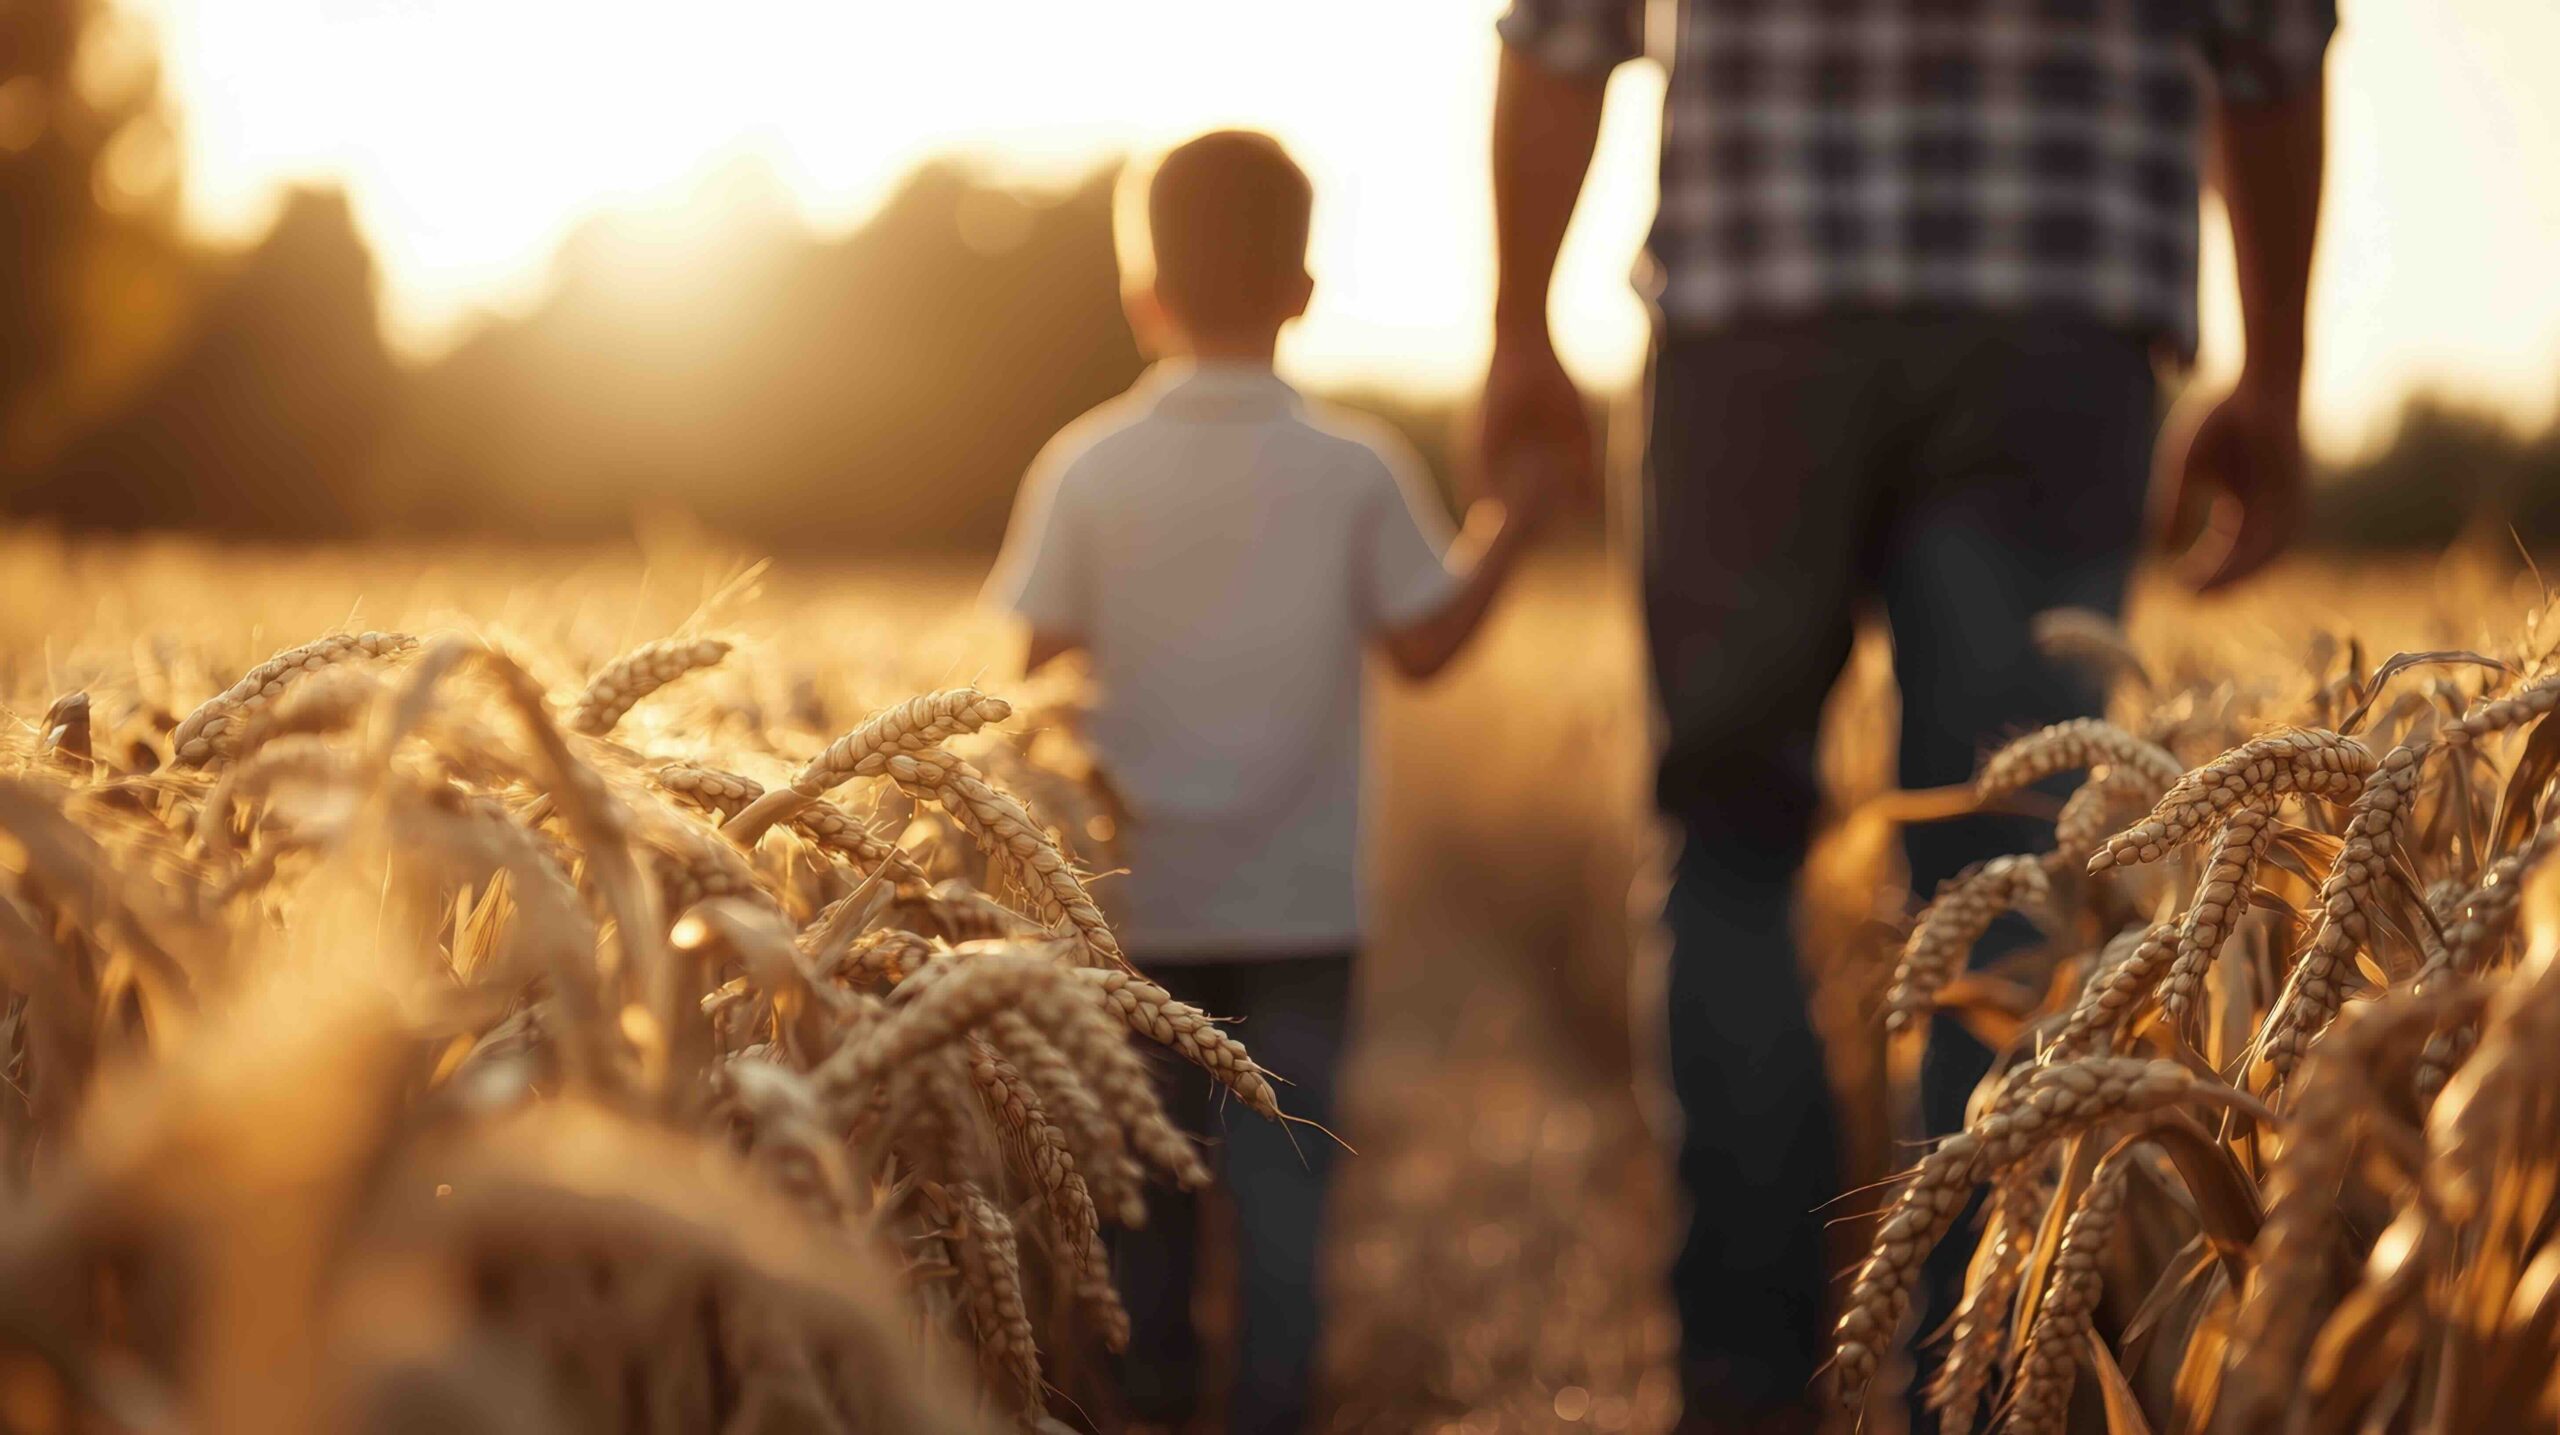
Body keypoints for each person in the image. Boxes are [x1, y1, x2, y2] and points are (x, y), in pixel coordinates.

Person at [1479, 2, 2332, 1430]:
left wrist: (1518, 328)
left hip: (1755, 300)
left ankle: (1743, 1383)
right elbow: (2274, 47)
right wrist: (2279, 374)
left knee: (1731, 854)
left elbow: (1563, 35)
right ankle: (1987, 1383)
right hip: (2057, 311)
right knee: (2013, 881)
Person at [984, 129, 1552, 1433]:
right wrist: (1513, 520)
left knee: (1143, 1204)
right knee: (1289, 1215)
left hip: (1129, 919)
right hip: (1302, 908)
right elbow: (1427, 647)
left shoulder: (1085, 465)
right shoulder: (1353, 468)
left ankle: (1152, 1402)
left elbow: (1031, 690)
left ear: (1143, 298)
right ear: (1305, 291)